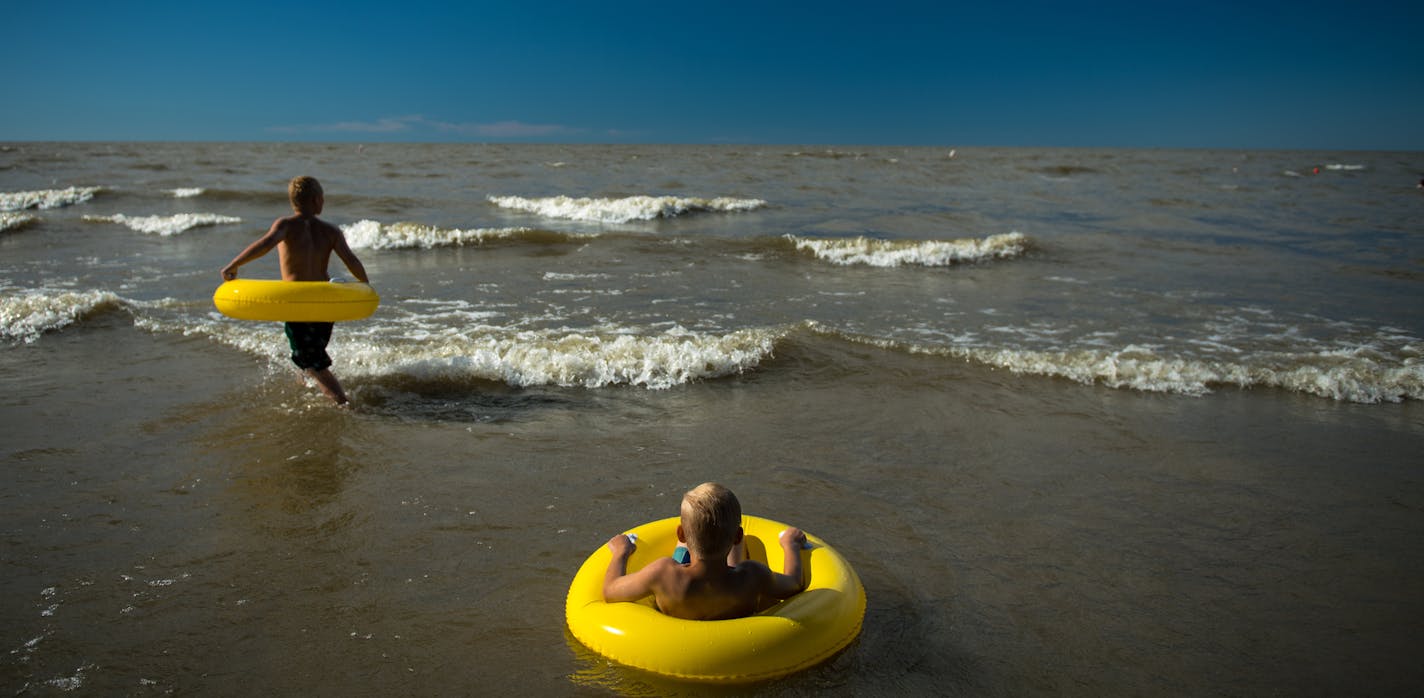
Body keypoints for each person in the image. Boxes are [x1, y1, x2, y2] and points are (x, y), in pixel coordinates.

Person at [220, 176, 368, 406]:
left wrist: (235, 264)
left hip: (298, 303)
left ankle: (342, 403)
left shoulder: (285, 226)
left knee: (311, 360)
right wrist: (365, 286)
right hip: (323, 302)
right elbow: (351, 260)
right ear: (317, 200)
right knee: (312, 352)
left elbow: (264, 245)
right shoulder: (330, 231)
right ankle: (307, 385)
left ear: (294, 201)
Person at [602, 482, 808, 620]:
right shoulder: (752, 575)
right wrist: (790, 545)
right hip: (733, 599)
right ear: (736, 535)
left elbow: (610, 591)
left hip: (680, 610)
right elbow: (793, 584)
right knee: (735, 565)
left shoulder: (664, 573)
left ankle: (698, 544)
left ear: (681, 533)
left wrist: (621, 551)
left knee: (686, 555)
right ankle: (725, 543)